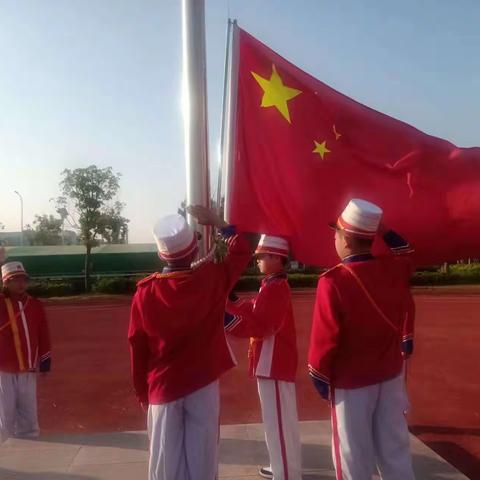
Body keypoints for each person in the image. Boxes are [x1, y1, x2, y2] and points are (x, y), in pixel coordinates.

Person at [128, 206, 259, 480]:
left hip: (162, 386)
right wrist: (218, 221)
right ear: (194, 251)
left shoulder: (145, 293)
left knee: (165, 462)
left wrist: (142, 392)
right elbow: (242, 247)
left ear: (160, 254)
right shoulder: (210, 277)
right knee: (203, 457)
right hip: (203, 382)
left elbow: (137, 347)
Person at [308, 198, 415, 480]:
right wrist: (384, 229)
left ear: (347, 240)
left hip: (351, 382)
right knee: (395, 450)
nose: (333, 237)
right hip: (391, 374)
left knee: (353, 455)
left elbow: (324, 340)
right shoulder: (393, 269)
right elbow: (406, 251)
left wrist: (319, 376)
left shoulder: (332, 281)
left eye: (337, 232)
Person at [225, 234, 301, 480]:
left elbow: (261, 327)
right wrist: (233, 301)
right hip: (272, 362)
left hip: (274, 363)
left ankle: (286, 473)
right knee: (279, 421)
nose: (257, 261)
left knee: (278, 422)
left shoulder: (275, 287)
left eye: (262, 256)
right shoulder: (271, 284)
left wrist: (228, 322)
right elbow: (255, 309)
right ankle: (283, 466)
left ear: (277, 259)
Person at [0, 261, 52, 443]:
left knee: (29, 412)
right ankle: (5, 446)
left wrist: (45, 360)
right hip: (3, 370)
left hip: (28, 368)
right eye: (15, 280)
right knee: (5, 412)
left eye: (23, 280)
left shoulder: (34, 305)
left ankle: (30, 445)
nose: (21, 284)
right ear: (5, 282)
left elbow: (43, 332)